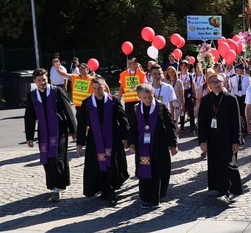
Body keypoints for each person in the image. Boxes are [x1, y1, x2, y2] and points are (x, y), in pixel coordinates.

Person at [24, 68, 77, 202]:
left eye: (44, 79)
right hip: (43, 132)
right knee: (47, 159)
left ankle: (58, 188)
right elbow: (29, 117)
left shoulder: (56, 91)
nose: (42, 82)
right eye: (39, 80)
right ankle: (54, 184)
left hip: (59, 130)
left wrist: (73, 130)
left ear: (48, 79)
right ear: (34, 81)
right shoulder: (32, 96)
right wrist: (29, 137)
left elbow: (68, 110)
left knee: (57, 158)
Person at [75, 76, 129, 206]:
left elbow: (123, 119)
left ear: (105, 86)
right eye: (95, 88)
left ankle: (110, 188)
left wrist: (126, 137)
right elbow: (81, 124)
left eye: (100, 88)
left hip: (113, 138)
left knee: (112, 163)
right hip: (95, 139)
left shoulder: (113, 100)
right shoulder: (87, 103)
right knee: (98, 163)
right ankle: (104, 187)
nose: (98, 91)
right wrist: (79, 143)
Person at [128, 84, 178, 208]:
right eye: (144, 97)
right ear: (139, 97)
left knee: (157, 170)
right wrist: (131, 142)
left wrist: (173, 145)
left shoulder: (160, 107)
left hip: (158, 144)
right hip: (142, 146)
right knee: (144, 169)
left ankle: (156, 198)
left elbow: (170, 126)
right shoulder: (136, 109)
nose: (148, 100)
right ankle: (145, 197)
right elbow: (133, 127)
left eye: (150, 96)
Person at [197, 73, 243, 205]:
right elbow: (202, 122)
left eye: (219, 81)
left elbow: (236, 121)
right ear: (209, 85)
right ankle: (221, 189)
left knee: (227, 165)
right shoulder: (206, 101)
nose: (216, 84)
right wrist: (202, 140)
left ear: (223, 83)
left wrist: (236, 140)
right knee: (216, 164)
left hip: (228, 139)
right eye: (213, 82)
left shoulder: (231, 99)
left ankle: (225, 193)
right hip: (212, 139)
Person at [164, 66, 184, 136]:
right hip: (168, 103)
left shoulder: (179, 82)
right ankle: (170, 134)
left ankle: (176, 134)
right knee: (170, 119)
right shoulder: (165, 81)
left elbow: (182, 95)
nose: (171, 73)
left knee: (175, 120)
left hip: (177, 103)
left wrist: (183, 105)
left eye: (172, 72)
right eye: (169, 72)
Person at [178, 60, 196, 135]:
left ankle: (192, 128)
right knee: (182, 111)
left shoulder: (190, 75)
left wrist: (194, 97)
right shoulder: (178, 75)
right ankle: (182, 126)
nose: (183, 67)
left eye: (185, 66)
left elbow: (193, 86)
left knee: (190, 112)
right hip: (181, 94)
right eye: (182, 66)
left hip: (188, 94)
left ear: (187, 67)